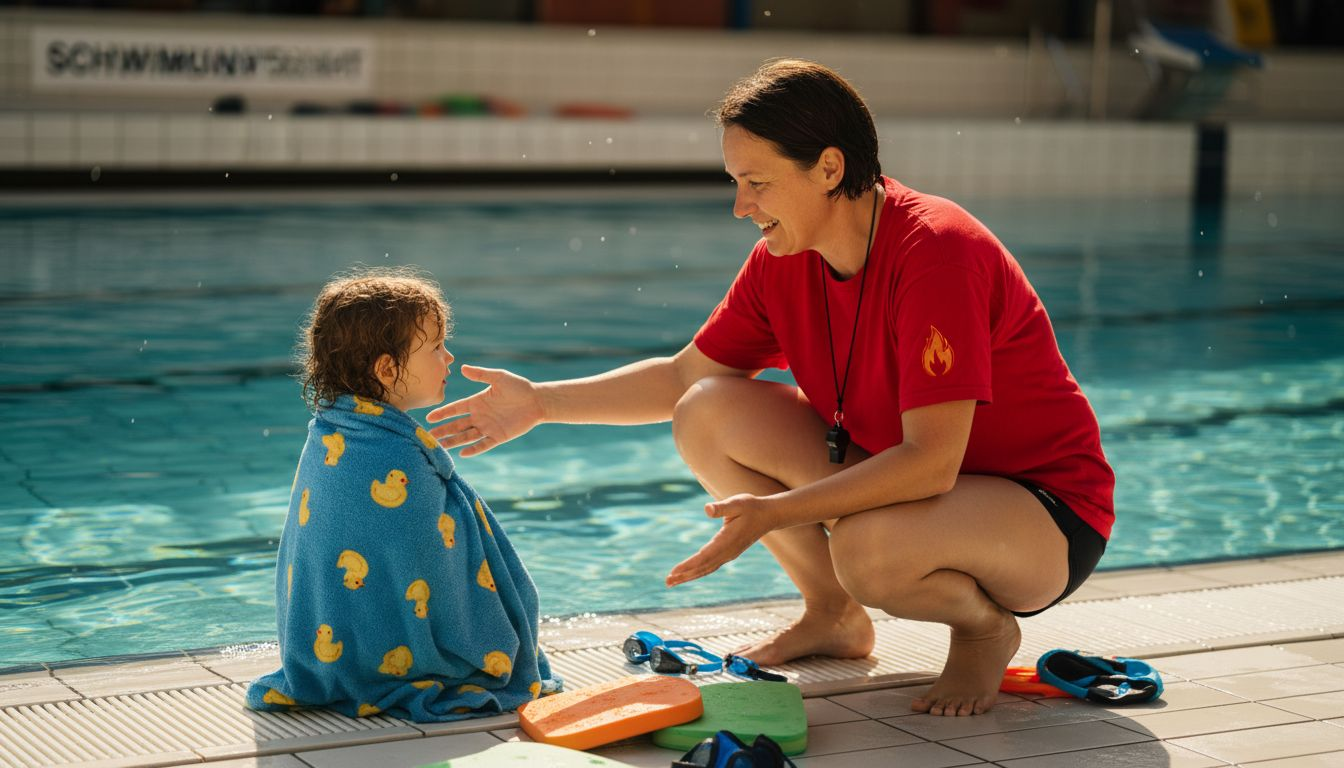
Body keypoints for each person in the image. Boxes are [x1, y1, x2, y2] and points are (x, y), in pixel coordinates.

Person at [428, 59, 1114, 717]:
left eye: (755, 182)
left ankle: (982, 629)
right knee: (709, 411)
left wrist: (775, 513)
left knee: (868, 552)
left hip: (1042, 516)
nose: (739, 206)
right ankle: (834, 614)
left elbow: (932, 462)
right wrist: (543, 404)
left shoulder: (936, 252)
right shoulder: (782, 262)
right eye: (736, 181)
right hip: (919, 492)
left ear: (829, 168)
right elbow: (682, 378)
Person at [247, 269, 559, 722]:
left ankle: (357, 658)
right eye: (435, 347)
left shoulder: (329, 436)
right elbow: (436, 563)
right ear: (388, 369)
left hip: (323, 659)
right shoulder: (394, 458)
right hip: (407, 663)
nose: (449, 358)